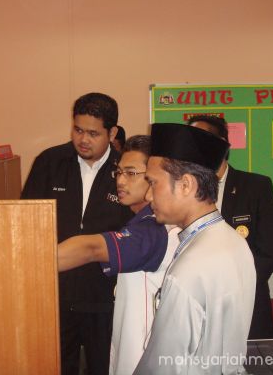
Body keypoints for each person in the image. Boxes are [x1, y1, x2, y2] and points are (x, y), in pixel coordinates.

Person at [21, 92, 134, 375]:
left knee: (103, 367)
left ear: (112, 133)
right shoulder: (50, 162)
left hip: (105, 297)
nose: (83, 139)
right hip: (54, 295)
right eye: (78, 130)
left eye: (93, 133)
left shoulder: (125, 171)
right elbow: (26, 223)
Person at [133, 123, 256, 374]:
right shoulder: (233, 240)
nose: (148, 196)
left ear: (186, 185)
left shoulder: (190, 268)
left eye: (153, 183)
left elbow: (163, 364)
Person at [57, 135, 180, 375]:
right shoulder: (140, 221)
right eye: (119, 172)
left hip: (144, 359)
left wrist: (29, 261)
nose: (120, 181)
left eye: (131, 173)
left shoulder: (153, 229)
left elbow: (91, 248)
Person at [188, 114, 273, 339]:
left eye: (201, 140)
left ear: (222, 145)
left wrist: (226, 290)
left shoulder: (256, 187)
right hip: (197, 305)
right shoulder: (184, 189)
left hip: (245, 303)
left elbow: (267, 255)